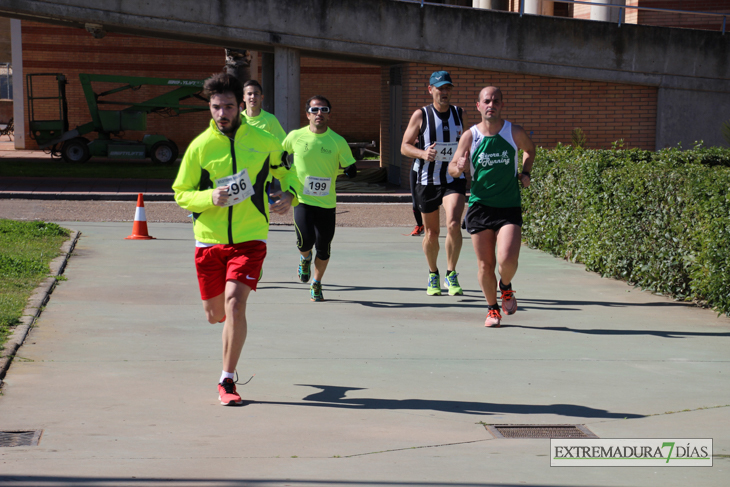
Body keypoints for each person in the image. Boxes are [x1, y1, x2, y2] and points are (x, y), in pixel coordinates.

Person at [172, 73, 298, 405]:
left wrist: (291, 194)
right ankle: (229, 325)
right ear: (210, 108)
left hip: (250, 238)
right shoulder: (200, 148)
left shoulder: (263, 140)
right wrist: (208, 198)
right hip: (209, 242)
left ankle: (226, 380)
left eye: (229, 106)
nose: (222, 113)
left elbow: (288, 171)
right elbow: (181, 194)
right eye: (216, 107)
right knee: (215, 314)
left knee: (235, 303)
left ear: (241, 106)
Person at [448, 86, 535, 328]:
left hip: (508, 207)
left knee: (507, 260)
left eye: (496, 101)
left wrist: (525, 172)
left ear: (501, 105)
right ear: (478, 106)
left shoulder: (513, 132)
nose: (491, 104)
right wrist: (460, 166)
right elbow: (452, 168)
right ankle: (492, 309)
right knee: (485, 265)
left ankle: (505, 287)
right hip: (480, 207)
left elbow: (530, 150)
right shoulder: (470, 136)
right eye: (486, 101)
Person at [283, 95, 356, 302]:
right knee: (305, 241)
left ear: (329, 115)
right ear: (307, 115)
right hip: (302, 200)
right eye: (315, 110)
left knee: (323, 249)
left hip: (326, 203)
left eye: (324, 110)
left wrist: (351, 170)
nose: (319, 114)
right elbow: (280, 153)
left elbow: (350, 165)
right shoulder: (296, 136)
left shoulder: (337, 141)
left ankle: (316, 283)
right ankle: (305, 258)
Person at [401, 70, 466, 296]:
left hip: (453, 178)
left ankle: (451, 272)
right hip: (427, 179)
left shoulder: (459, 113)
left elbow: (464, 142)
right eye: (440, 88)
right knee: (431, 232)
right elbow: (404, 146)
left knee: (454, 225)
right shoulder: (421, 115)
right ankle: (433, 273)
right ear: (431, 90)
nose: (444, 92)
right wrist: (422, 153)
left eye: (448, 88)